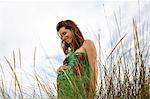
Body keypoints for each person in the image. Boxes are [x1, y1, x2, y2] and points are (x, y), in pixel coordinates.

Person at [56, 20, 98, 99]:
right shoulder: (69, 54)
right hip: (64, 93)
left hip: (80, 92)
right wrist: (60, 70)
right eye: (61, 36)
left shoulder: (87, 44)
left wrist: (91, 95)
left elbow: (94, 70)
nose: (63, 38)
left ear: (72, 30)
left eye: (64, 33)